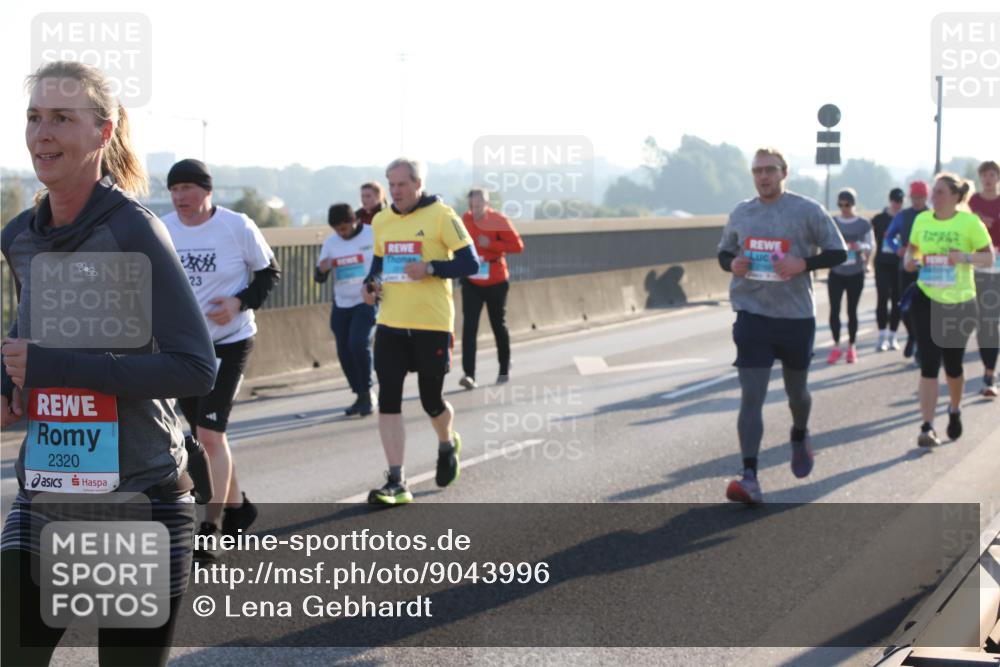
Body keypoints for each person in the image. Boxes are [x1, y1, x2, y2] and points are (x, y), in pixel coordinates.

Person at [1, 61, 216, 666]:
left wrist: (59, 367)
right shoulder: (21, 235)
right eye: (34, 117)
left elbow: (195, 368)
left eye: (62, 119)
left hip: (139, 499)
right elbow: (27, 332)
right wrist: (6, 381)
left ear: (103, 132)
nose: (42, 133)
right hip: (46, 496)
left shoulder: (134, 232)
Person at [162, 158, 280, 555]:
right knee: (204, 439)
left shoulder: (236, 226)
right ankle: (238, 508)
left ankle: (209, 526)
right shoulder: (163, 228)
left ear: (206, 191)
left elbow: (268, 273)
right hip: (186, 347)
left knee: (210, 434)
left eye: (187, 189)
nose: (180, 197)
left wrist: (238, 302)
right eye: (174, 190)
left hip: (230, 341)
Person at [717, 147, 847, 504]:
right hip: (752, 314)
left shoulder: (807, 211)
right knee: (752, 395)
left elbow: (839, 253)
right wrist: (734, 265)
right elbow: (723, 253)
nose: (763, 176)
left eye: (769, 170)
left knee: (796, 394)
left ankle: (800, 432)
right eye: (757, 170)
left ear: (783, 172)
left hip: (795, 318)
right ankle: (749, 476)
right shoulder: (742, 212)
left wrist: (802, 263)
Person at [362, 158, 479, 505]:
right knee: (388, 399)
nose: (396, 192)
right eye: (391, 185)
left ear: (417, 184)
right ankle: (396, 480)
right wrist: (372, 284)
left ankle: (447, 443)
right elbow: (379, 264)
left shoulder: (443, 215)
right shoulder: (381, 220)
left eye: (402, 185)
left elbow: (470, 262)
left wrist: (430, 267)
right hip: (391, 323)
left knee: (431, 400)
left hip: (432, 324)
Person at [903, 173, 994, 447]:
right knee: (929, 364)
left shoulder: (969, 222)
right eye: (934, 191)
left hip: (959, 302)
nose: (934, 196)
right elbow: (912, 251)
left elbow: (989, 256)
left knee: (953, 366)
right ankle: (927, 426)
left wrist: (963, 257)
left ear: (955, 196)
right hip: (926, 296)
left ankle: (954, 408)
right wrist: (910, 261)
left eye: (940, 192)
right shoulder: (922, 220)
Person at [458, 188, 525, 389]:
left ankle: (504, 368)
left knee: (498, 325)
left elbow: (518, 246)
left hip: (495, 279)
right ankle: (469, 374)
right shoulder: (465, 220)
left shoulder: (499, 220)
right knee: (469, 327)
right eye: (471, 206)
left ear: (487, 204)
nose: (474, 210)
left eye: (478, 206)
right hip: (472, 280)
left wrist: (492, 244)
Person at [315, 203, 377, 416]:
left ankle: (368, 392)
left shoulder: (372, 235)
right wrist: (322, 270)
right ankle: (359, 394)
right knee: (344, 350)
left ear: (354, 221)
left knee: (358, 343)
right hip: (342, 303)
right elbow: (319, 276)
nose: (342, 233)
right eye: (337, 230)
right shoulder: (331, 243)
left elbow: (384, 262)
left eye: (345, 228)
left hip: (366, 300)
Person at [826, 188, 874, 364]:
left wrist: (859, 246)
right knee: (834, 310)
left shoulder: (863, 223)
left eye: (847, 204)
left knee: (851, 310)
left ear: (853, 204)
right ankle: (836, 346)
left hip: (855, 272)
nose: (843, 208)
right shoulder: (832, 222)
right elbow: (826, 242)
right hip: (837, 272)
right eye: (840, 204)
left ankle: (852, 346)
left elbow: (871, 245)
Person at [885, 181, 931, 359]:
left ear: (926, 197)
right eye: (914, 197)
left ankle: (921, 345)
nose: (917, 201)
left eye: (920, 197)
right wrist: (897, 248)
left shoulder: (933, 215)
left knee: (925, 307)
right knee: (904, 306)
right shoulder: (903, 216)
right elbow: (889, 236)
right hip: (906, 266)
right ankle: (912, 335)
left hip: (928, 268)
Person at [969, 160, 1000, 397]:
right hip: (978, 268)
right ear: (980, 178)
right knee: (985, 322)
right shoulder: (972, 203)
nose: (988, 179)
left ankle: (990, 373)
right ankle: (989, 373)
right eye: (984, 175)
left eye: (992, 175)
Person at [871, 187, 905, 351]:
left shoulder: (906, 218)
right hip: (882, 263)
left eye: (900, 201)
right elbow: (871, 240)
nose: (897, 204)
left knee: (897, 300)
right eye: (895, 201)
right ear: (890, 201)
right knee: (882, 298)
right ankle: (882, 335)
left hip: (899, 265)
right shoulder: (878, 219)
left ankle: (893, 336)